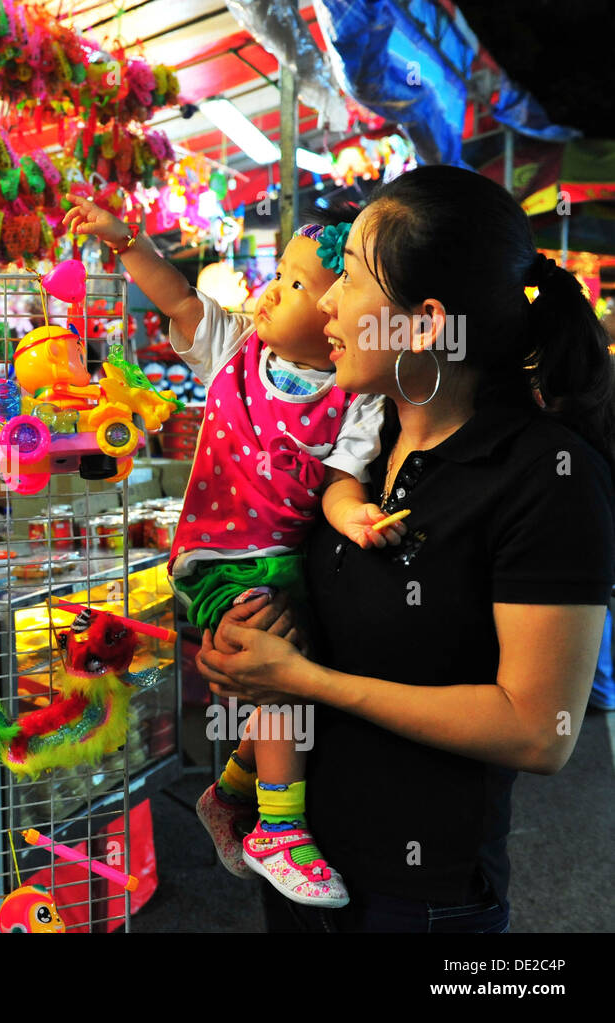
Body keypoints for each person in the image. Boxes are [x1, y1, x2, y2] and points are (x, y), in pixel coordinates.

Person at [195, 164, 615, 933]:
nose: (323, 300)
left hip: (420, 899)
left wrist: (306, 679)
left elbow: (537, 728)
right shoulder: (356, 440)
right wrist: (246, 650)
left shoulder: (544, 473)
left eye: (348, 277)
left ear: (421, 323)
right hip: (299, 859)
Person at [64, 197, 398, 909]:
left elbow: (342, 483)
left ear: (340, 311)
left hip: (285, 559)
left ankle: (233, 789)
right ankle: (278, 825)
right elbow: (179, 297)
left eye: (301, 283)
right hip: (215, 557)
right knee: (272, 659)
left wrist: (356, 519)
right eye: (281, 272)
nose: (274, 288)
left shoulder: (356, 398)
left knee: (294, 661)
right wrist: (128, 243)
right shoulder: (234, 350)